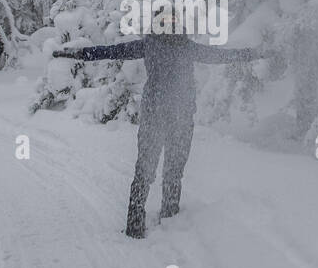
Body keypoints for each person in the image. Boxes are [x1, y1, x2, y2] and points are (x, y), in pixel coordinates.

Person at [52, 15, 266, 238]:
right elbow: (222, 56)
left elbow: (108, 51)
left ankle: (139, 225)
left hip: (158, 116)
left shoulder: (153, 45)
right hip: (178, 117)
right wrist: (256, 53)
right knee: (170, 171)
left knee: (147, 171)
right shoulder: (183, 47)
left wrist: (73, 53)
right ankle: (168, 219)